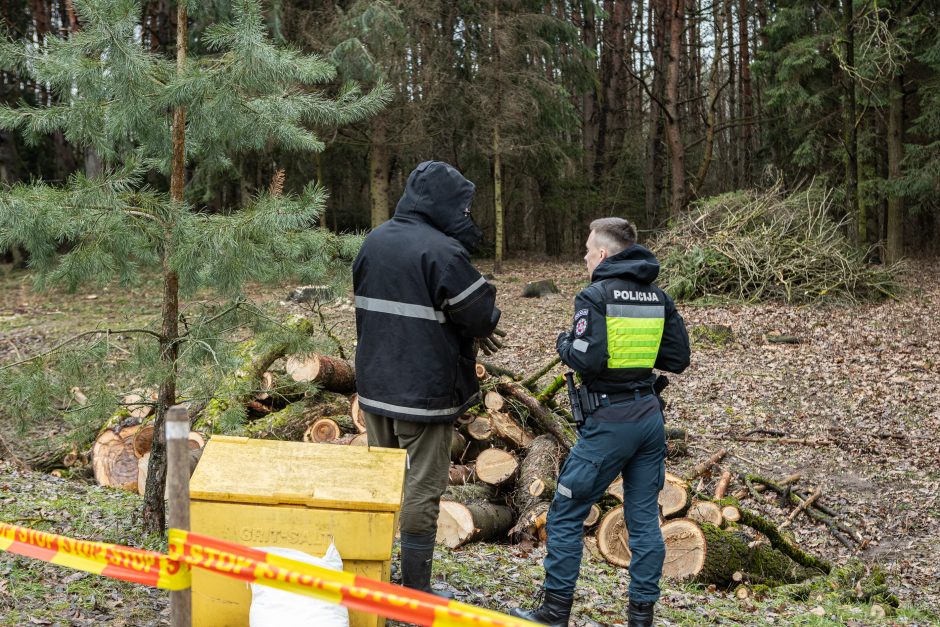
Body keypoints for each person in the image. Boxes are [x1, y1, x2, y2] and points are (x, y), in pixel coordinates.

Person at [510, 218, 690, 627]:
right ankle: (640, 620)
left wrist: (562, 343)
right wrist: (634, 356)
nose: (585, 256)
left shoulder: (594, 295)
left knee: (566, 512)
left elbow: (584, 356)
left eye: (588, 250)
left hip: (610, 420)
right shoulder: (657, 297)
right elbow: (678, 358)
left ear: (604, 254)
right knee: (644, 521)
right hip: (648, 417)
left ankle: (554, 614)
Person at [352, 160, 501, 597]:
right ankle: (415, 588)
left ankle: (376, 573)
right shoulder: (442, 252)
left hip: (375, 386)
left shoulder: (372, 242)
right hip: (424, 393)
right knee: (422, 487)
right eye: (462, 205)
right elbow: (480, 316)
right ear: (443, 203)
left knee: (382, 481)